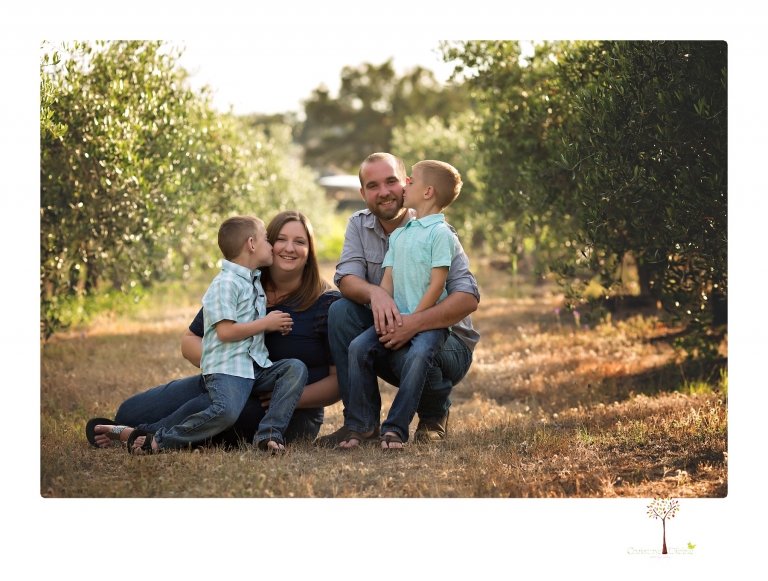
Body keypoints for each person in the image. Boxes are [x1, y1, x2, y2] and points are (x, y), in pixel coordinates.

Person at [87, 211, 341, 452]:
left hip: (284, 408)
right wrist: (226, 369)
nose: (289, 248)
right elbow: (191, 340)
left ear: (310, 251)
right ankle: (134, 429)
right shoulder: (242, 285)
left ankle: (147, 437)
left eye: (300, 241)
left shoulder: (327, 303)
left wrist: (286, 397)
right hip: (225, 376)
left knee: (229, 416)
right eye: (280, 239)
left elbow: (338, 382)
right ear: (263, 245)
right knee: (129, 412)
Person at [318, 152, 480, 448]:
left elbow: (468, 297)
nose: (384, 192)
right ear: (363, 193)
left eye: (391, 181)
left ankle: (433, 416)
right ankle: (361, 425)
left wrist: (413, 323)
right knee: (339, 310)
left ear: (407, 183)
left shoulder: (438, 232)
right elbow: (346, 278)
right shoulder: (361, 225)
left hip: (448, 343)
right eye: (373, 185)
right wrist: (376, 293)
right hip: (395, 326)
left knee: (414, 350)